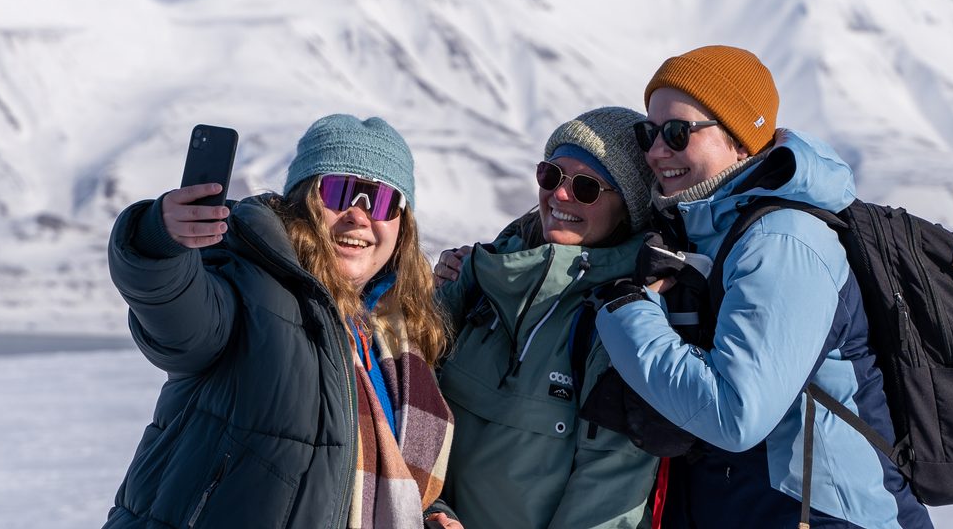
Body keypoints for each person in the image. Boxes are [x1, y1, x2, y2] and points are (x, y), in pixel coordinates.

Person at [593, 46, 934, 529]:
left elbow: (736, 416)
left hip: (822, 517)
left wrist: (629, 314)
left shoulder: (782, 242)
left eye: (677, 133)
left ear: (739, 142)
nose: (655, 152)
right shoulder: (698, 233)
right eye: (648, 133)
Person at [103, 114, 461, 529]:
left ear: (402, 224)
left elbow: (389, 473)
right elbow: (179, 318)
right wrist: (158, 240)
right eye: (339, 192)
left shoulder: (402, 336)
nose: (359, 216)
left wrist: (432, 516)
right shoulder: (246, 280)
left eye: (381, 201)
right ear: (302, 202)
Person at [431, 107, 661, 529]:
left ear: (627, 209)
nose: (560, 195)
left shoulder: (623, 320)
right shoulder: (485, 281)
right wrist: (432, 510)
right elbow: (407, 406)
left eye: (586, 188)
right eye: (551, 175)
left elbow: (610, 493)